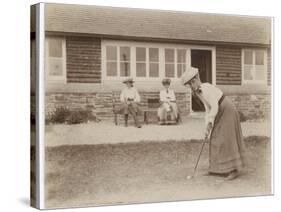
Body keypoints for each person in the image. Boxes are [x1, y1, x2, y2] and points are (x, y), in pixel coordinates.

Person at [181, 67, 246, 180]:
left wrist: (211, 120)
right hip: (218, 110)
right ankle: (216, 169)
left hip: (227, 109)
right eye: (189, 86)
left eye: (191, 84)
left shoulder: (206, 88)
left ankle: (233, 170)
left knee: (226, 138)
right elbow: (208, 108)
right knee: (214, 137)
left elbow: (214, 106)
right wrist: (207, 126)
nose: (191, 87)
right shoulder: (198, 92)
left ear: (195, 80)